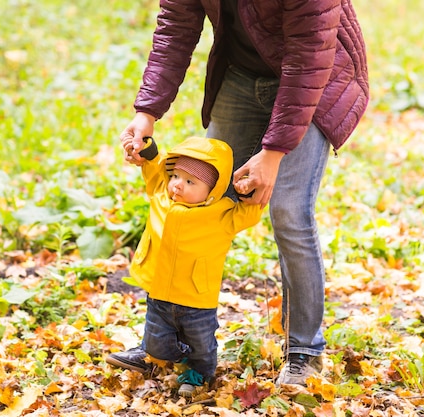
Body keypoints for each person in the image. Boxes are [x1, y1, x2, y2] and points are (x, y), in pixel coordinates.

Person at [116, 0, 369, 386]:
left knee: (289, 211)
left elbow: (308, 56)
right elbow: (176, 28)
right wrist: (146, 112)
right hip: (242, 74)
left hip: (316, 79)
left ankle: (305, 351)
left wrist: (273, 153)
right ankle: (167, 343)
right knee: (199, 194)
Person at [106, 135, 263, 396]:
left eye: (190, 181)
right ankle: (159, 357)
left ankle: (198, 372)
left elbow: (250, 213)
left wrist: (252, 192)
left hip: (197, 299)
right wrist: (148, 152)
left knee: (201, 344)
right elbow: (154, 172)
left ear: (212, 190)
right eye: (176, 176)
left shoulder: (222, 215)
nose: (178, 185)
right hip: (159, 293)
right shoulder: (161, 198)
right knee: (156, 341)